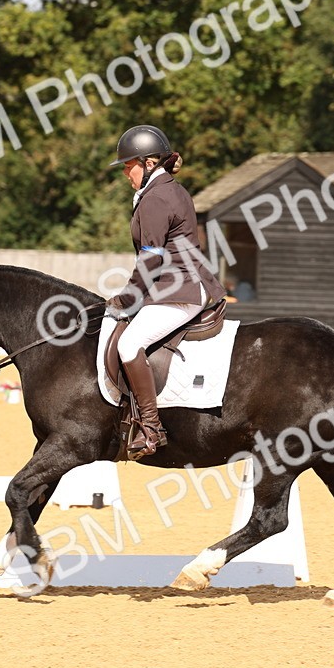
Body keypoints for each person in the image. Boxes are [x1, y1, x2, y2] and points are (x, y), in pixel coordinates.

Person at [106, 125, 226, 458]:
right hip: (179, 285)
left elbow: (151, 256)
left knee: (130, 344)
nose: (125, 174)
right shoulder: (169, 189)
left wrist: (129, 297)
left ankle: (150, 428)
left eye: (128, 166)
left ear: (146, 163)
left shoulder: (156, 197)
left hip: (180, 289)